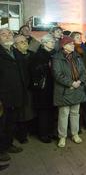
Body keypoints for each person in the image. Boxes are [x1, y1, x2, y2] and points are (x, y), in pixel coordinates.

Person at [52, 36, 86, 148]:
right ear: (64, 46)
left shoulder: (77, 57)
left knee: (75, 113)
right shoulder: (56, 58)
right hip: (64, 91)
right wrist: (71, 83)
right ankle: (62, 136)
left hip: (77, 89)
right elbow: (57, 74)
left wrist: (79, 82)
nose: (73, 45)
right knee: (63, 114)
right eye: (70, 44)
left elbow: (83, 71)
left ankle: (75, 134)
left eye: (73, 43)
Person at [0, 28, 26, 164]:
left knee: (11, 123)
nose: (7, 36)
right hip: (3, 96)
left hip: (16, 95)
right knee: (1, 124)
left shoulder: (15, 52)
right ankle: (1, 150)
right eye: (3, 34)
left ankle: (8, 144)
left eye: (9, 33)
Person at [30, 34, 56, 143]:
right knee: (43, 112)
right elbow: (35, 72)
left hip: (52, 87)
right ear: (44, 43)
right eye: (51, 41)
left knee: (51, 111)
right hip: (43, 89)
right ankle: (43, 134)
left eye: (53, 41)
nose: (53, 43)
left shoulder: (53, 54)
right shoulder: (39, 55)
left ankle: (50, 131)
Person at [13, 35, 35, 144]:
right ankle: (21, 135)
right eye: (21, 42)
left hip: (31, 88)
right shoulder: (14, 57)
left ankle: (29, 131)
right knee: (22, 113)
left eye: (25, 41)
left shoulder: (32, 54)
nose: (24, 43)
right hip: (20, 88)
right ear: (15, 45)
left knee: (30, 110)